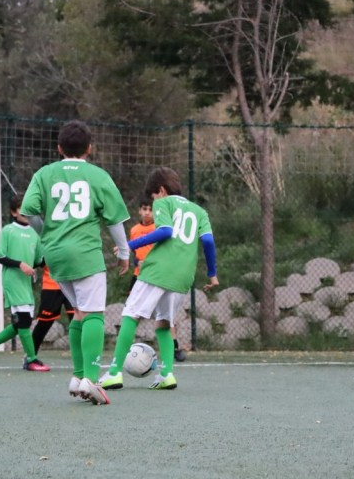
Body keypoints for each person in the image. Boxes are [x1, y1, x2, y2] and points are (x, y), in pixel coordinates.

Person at [21, 120, 130, 405]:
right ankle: (91, 380)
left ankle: (78, 375)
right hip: (84, 253)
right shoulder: (97, 175)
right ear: (89, 149)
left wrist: (46, 232)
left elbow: (29, 210)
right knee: (93, 313)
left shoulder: (44, 173)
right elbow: (115, 218)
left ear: (59, 148)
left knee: (79, 312)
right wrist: (124, 251)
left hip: (55, 254)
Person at [99, 167, 218, 391]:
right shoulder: (199, 211)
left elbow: (165, 231)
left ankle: (114, 373)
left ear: (161, 191)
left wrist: (128, 245)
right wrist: (212, 274)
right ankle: (167, 374)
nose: (153, 202)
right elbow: (209, 243)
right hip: (183, 276)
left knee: (130, 314)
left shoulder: (164, 203)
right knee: (164, 323)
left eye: (153, 197)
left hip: (158, 270)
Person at [0, 194, 49, 372]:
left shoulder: (35, 233)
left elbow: (39, 260)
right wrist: (20, 264)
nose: (25, 211)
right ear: (14, 212)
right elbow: (0, 256)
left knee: (21, 323)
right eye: (21, 208)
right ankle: (31, 359)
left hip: (26, 282)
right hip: (12, 280)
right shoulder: (8, 231)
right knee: (24, 320)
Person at [129, 197, 187, 362]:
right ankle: (127, 345)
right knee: (131, 312)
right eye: (144, 209)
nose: (147, 213)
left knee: (165, 315)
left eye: (150, 209)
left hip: (158, 276)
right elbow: (135, 252)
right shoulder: (134, 230)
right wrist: (136, 262)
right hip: (139, 276)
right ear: (139, 211)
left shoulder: (161, 228)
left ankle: (174, 347)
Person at [30, 265, 74, 356]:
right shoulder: (43, 250)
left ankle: (82, 354)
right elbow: (36, 260)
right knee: (44, 323)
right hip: (52, 285)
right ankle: (31, 356)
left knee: (78, 320)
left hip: (74, 283)